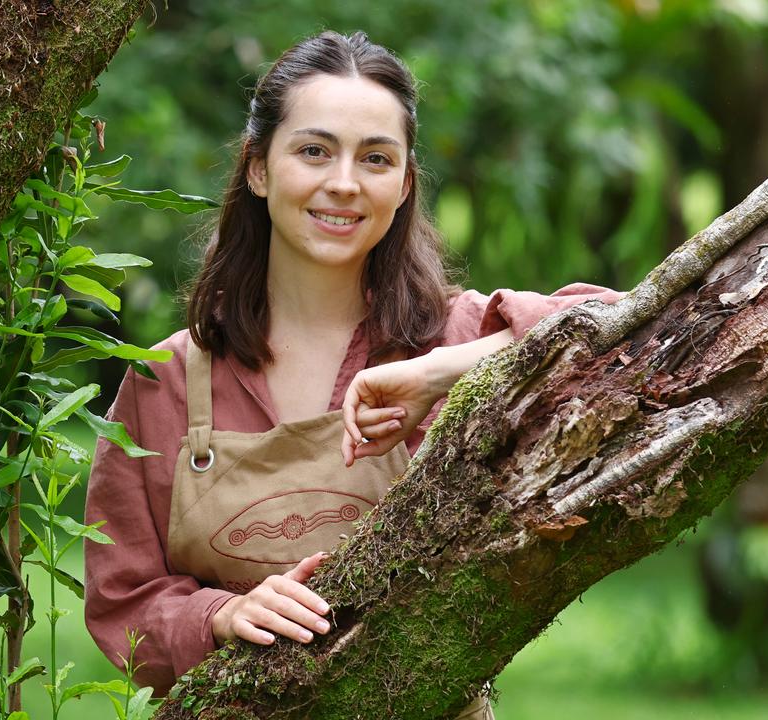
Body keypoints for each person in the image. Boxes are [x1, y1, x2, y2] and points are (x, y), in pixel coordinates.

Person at [83, 30, 620, 716]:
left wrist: (446, 369)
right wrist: (219, 615)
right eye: (313, 150)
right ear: (258, 167)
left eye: (374, 158)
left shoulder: (455, 337)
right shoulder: (166, 380)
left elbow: (640, 323)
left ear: (403, 184)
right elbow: (122, 600)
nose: (343, 182)